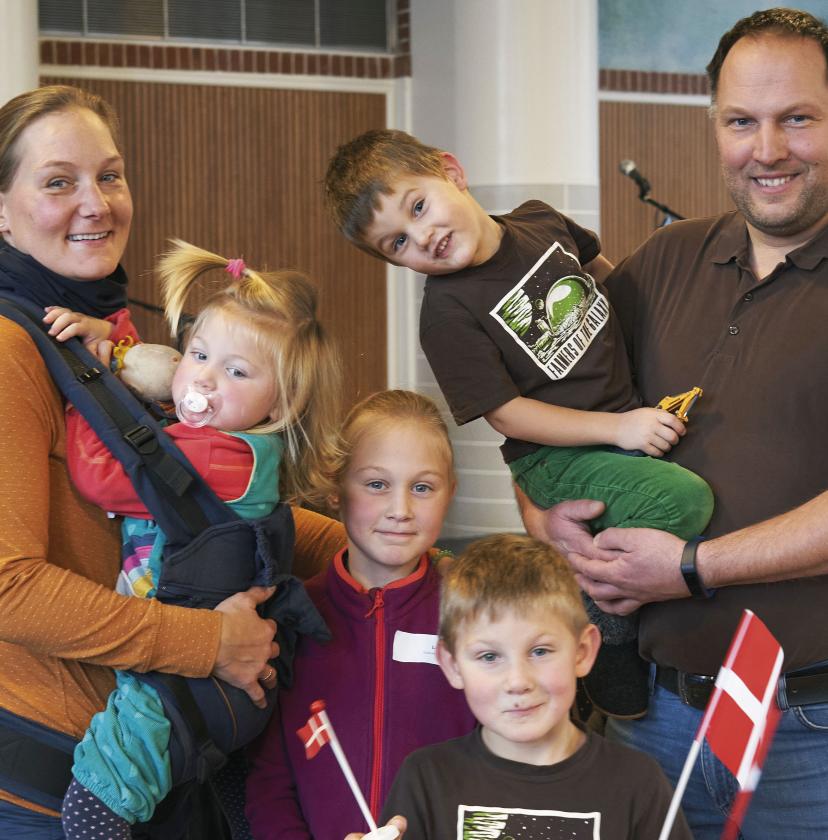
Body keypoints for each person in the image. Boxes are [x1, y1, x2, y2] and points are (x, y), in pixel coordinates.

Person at [0, 84, 344, 837]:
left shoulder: (109, 334)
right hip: (55, 784)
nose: (96, 203)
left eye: (110, 175)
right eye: (59, 181)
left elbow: (195, 495)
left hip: (168, 754)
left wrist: (376, 548)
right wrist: (208, 643)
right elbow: (7, 588)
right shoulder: (11, 350)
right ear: (2, 209)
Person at [519, 8, 828, 838]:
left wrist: (693, 566)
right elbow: (544, 422)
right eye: (742, 122)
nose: (767, 150)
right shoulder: (660, 264)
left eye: (797, 118)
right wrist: (550, 521)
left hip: (810, 731)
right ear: (715, 127)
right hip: (647, 715)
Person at [323, 129, 713, 718]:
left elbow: (613, 285)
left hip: (622, 422)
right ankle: (601, 626)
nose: (422, 237)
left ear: (451, 171)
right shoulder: (447, 312)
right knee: (683, 502)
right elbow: (507, 413)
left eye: (419, 206)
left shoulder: (541, 221)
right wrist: (618, 430)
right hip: (556, 456)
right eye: (398, 241)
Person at [51, 239, 341, 837]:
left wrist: (89, 383)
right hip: (223, 690)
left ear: (281, 401)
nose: (203, 378)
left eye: (236, 372)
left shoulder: (218, 457)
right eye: (199, 354)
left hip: (175, 681)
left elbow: (101, 474)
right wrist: (122, 348)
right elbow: (161, 404)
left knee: (94, 802)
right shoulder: (239, 448)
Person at [347, 534, 691, 840]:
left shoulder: (638, 782)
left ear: (583, 652)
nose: (518, 681)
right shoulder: (426, 778)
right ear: (452, 665)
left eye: (540, 651)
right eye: (489, 656)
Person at [245, 390, 477, 839]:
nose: (401, 510)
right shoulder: (289, 619)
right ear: (336, 490)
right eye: (376, 484)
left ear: (451, 492)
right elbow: (270, 779)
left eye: (423, 487)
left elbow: (511, 758)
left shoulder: (477, 613)